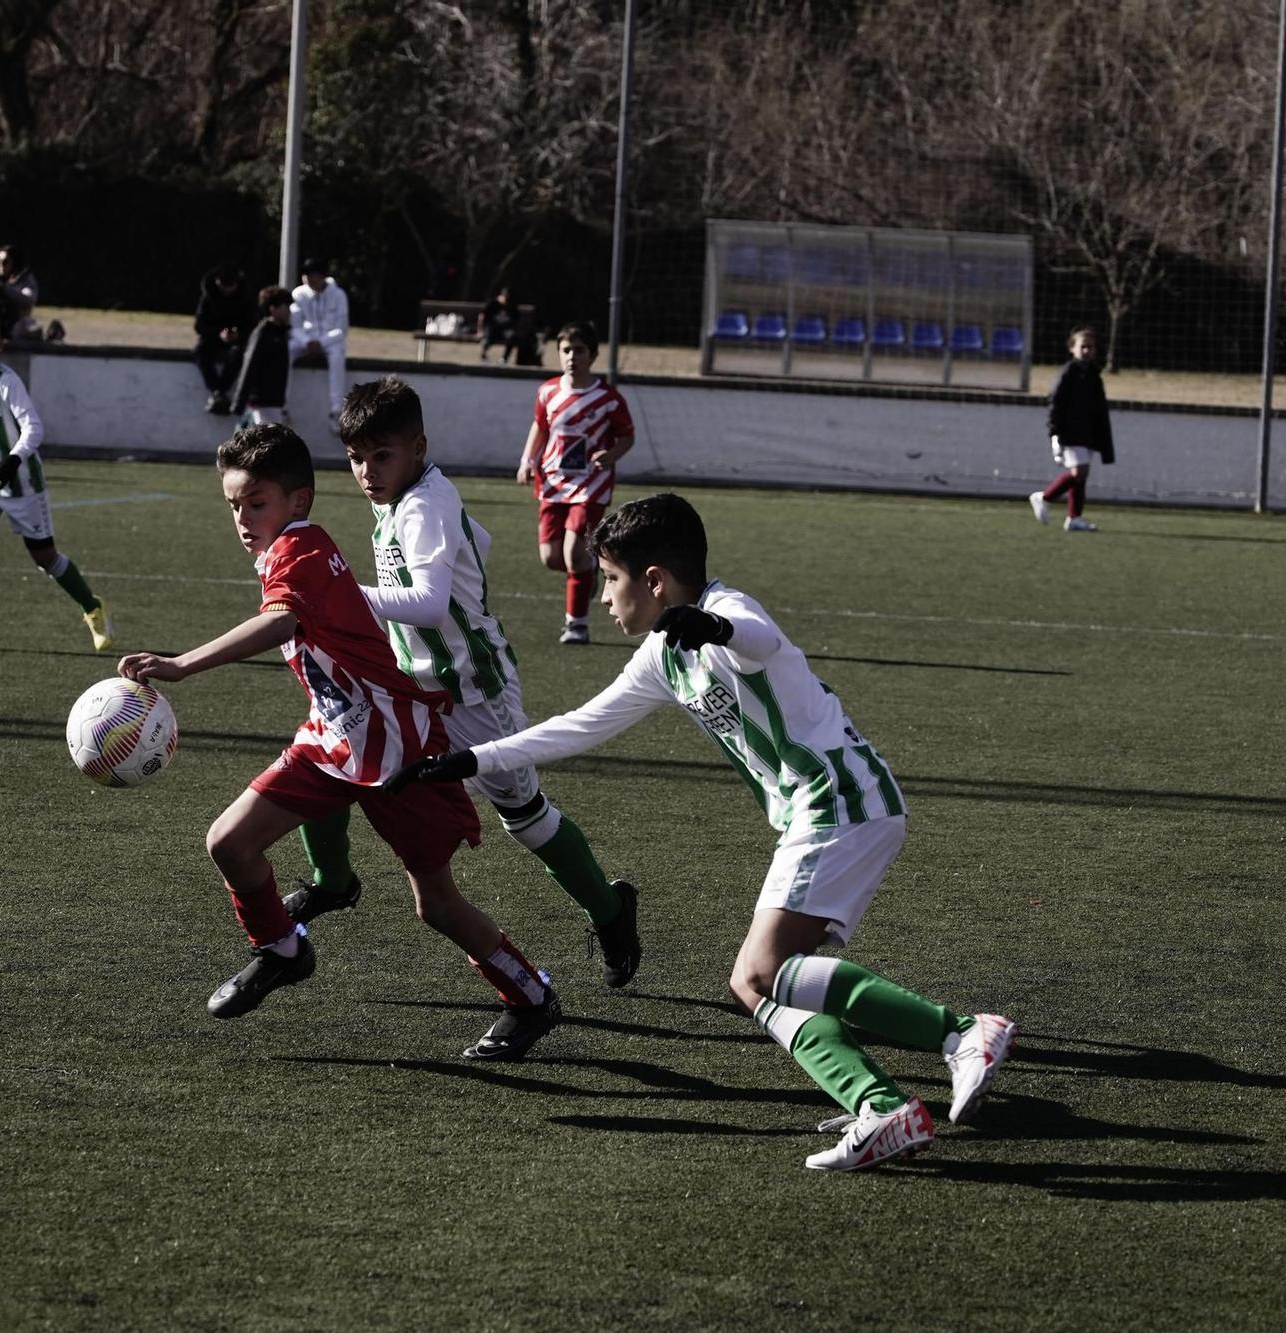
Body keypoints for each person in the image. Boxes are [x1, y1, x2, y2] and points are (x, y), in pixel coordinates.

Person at [387, 493, 1017, 1171]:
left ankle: (934, 1056)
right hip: (836, 807)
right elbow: (581, 724)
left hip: (838, 800)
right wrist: (473, 759)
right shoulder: (663, 654)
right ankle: (891, 1086)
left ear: (654, 580)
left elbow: (760, 638)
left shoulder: (728, 612)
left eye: (611, 578)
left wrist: (712, 626)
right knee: (769, 980)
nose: (603, 597)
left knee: (759, 976)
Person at [116, 422, 562, 1060]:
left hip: (397, 749)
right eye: (234, 505)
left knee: (435, 904)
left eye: (257, 503)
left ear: (297, 501)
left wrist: (184, 664)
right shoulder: (283, 548)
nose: (243, 518)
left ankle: (530, 996)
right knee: (230, 843)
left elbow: (283, 621)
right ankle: (282, 950)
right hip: (333, 738)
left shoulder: (300, 548)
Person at [285, 376, 644, 986]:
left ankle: (611, 912)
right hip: (411, 687)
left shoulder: (425, 502)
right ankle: (332, 882)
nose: (367, 472)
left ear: (418, 447)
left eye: (382, 456)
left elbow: (426, 602)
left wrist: (340, 595)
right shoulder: (409, 495)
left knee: (526, 817)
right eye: (356, 458)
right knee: (330, 756)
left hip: (476, 693)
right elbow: (475, 543)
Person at [0, 312, 112, 654]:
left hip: (22, 484)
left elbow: (34, 428)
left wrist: (14, 458)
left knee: (44, 557)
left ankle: (92, 607)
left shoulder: (7, 381)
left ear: (1, 345)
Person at [516, 320, 635, 645]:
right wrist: (528, 460)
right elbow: (540, 427)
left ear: (592, 355)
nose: (572, 356)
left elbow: (627, 436)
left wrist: (611, 455)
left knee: (572, 552)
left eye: (579, 350)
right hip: (553, 482)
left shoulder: (608, 398)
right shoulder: (548, 391)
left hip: (590, 485)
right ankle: (589, 571)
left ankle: (576, 624)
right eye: (566, 350)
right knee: (551, 557)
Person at [1029, 325, 1115, 533]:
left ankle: (1074, 518)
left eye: (1091, 347)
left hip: (1086, 433)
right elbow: (1055, 402)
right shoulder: (1069, 372)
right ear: (1072, 349)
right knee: (1079, 471)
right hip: (1070, 431)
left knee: (1081, 475)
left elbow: (1099, 409)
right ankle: (1044, 497)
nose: (1087, 351)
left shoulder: (1093, 375)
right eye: (1083, 347)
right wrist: (1055, 433)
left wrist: (1100, 436)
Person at [290, 257, 350, 430]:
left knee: (338, 355)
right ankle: (282, 405)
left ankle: (336, 409)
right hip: (305, 341)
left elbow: (341, 329)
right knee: (286, 350)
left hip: (329, 342)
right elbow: (295, 327)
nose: (307, 279)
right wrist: (307, 341)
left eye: (312, 275)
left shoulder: (338, 295)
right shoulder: (298, 294)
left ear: (322, 276)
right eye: (305, 275)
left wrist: (321, 342)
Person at [193, 263, 253, 414]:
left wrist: (238, 334)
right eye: (223, 286)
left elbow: (252, 323)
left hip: (237, 339)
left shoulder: (244, 297)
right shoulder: (209, 296)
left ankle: (220, 390)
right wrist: (218, 334)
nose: (226, 290)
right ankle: (217, 391)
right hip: (213, 337)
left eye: (230, 286)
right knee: (201, 350)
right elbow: (199, 325)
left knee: (239, 354)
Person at [231, 286, 293, 427]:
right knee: (268, 443)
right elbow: (249, 366)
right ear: (273, 309)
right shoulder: (263, 333)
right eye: (286, 307)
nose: (289, 311)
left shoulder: (280, 333)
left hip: (274, 400)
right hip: (262, 400)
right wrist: (239, 403)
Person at [0, 243, 42, 343]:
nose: (0, 265)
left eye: (5, 262)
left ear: (14, 263)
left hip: (16, 324)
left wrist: (3, 288)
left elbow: (28, 299)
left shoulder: (25, 279)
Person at [476, 286, 521, 363]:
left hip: (504, 329)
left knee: (512, 337)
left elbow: (516, 320)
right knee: (488, 337)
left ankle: (504, 359)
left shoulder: (512, 305)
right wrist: (480, 330)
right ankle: (483, 355)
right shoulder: (493, 303)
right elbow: (482, 316)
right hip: (492, 328)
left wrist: (514, 329)